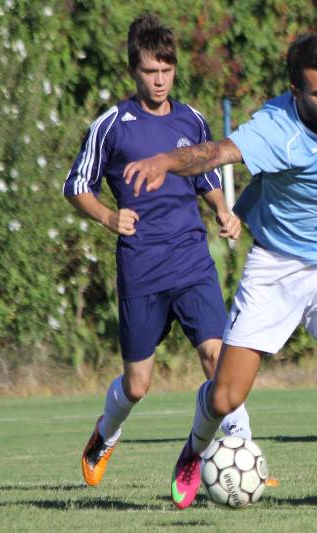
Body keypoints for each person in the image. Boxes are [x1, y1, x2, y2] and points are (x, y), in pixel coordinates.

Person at [123, 33, 317, 511]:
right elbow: (214, 153)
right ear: (295, 91)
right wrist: (166, 159)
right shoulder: (273, 128)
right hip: (277, 267)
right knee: (225, 397)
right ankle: (193, 450)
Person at [63, 14, 251, 488]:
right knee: (138, 385)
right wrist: (108, 217)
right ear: (135, 71)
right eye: (151, 70)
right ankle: (105, 433)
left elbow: (205, 173)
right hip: (142, 266)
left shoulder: (192, 120)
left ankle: (242, 452)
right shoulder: (112, 126)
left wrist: (221, 211)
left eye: (166, 69)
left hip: (191, 259)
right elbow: (76, 185)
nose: (160, 79)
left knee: (218, 358)